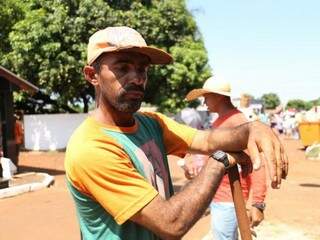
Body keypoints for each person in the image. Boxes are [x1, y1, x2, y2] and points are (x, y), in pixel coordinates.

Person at [64, 26, 288, 240]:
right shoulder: (91, 147)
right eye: (122, 68)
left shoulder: (151, 124)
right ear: (92, 75)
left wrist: (253, 128)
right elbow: (170, 224)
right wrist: (218, 162)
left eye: (142, 68)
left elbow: (207, 139)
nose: (137, 78)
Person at [185, 77, 267, 240]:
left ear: (219, 96)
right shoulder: (221, 121)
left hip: (228, 198)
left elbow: (257, 163)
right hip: (220, 195)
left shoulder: (236, 123)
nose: (204, 102)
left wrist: (258, 203)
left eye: (206, 96)